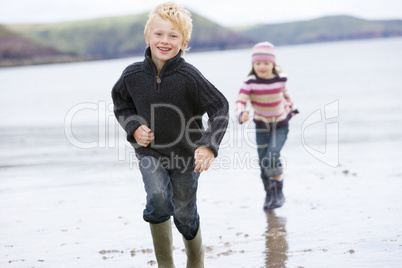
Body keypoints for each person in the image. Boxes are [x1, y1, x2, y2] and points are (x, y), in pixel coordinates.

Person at [111, 2, 229, 267]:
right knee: (158, 199)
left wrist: (209, 145)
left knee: (185, 214)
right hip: (149, 152)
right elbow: (120, 102)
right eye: (159, 34)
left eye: (173, 36)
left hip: (187, 156)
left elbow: (220, 107)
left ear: (184, 42)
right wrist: (133, 126)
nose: (165, 41)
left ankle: (196, 260)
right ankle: (166, 265)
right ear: (147, 37)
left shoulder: (189, 77)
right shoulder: (132, 75)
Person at [235, 41, 298, 210]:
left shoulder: (280, 80)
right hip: (261, 126)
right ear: (253, 65)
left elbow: (285, 95)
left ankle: (279, 193)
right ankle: (269, 193)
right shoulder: (250, 83)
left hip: (280, 125)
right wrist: (242, 114)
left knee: (272, 156)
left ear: (273, 64)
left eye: (266, 63)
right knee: (263, 162)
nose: (262, 67)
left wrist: (293, 108)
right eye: (258, 63)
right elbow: (240, 101)